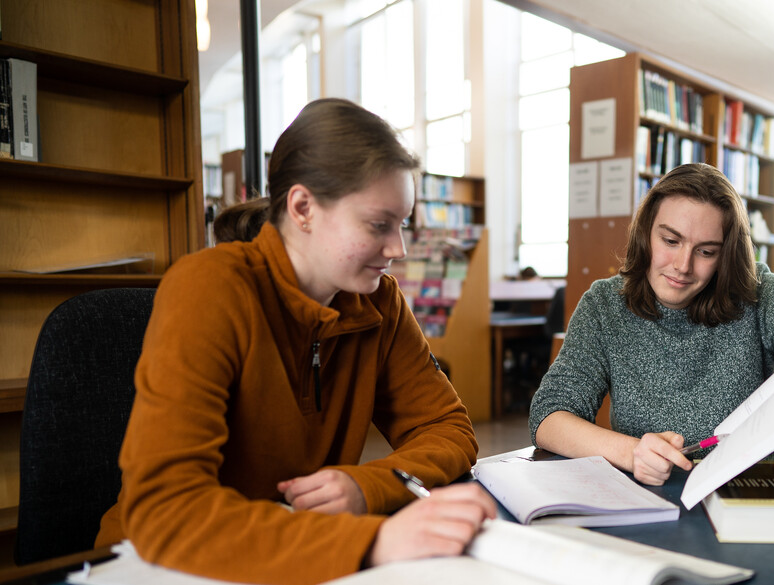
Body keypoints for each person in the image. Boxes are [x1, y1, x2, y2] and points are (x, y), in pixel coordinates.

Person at [95, 98, 497, 584]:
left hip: (303, 548)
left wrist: (366, 484)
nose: (399, 249)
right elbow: (167, 511)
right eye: (378, 225)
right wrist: (373, 542)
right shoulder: (210, 288)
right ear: (303, 207)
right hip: (174, 563)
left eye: (403, 224)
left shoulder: (379, 302)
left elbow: (448, 428)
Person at [529, 163, 774, 486]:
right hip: (650, 494)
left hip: (757, 491)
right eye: (670, 240)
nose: (682, 265)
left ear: (726, 254)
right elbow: (548, 416)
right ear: (645, 233)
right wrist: (632, 452)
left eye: (706, 251)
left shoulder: (760, 294)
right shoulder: (604, 305)